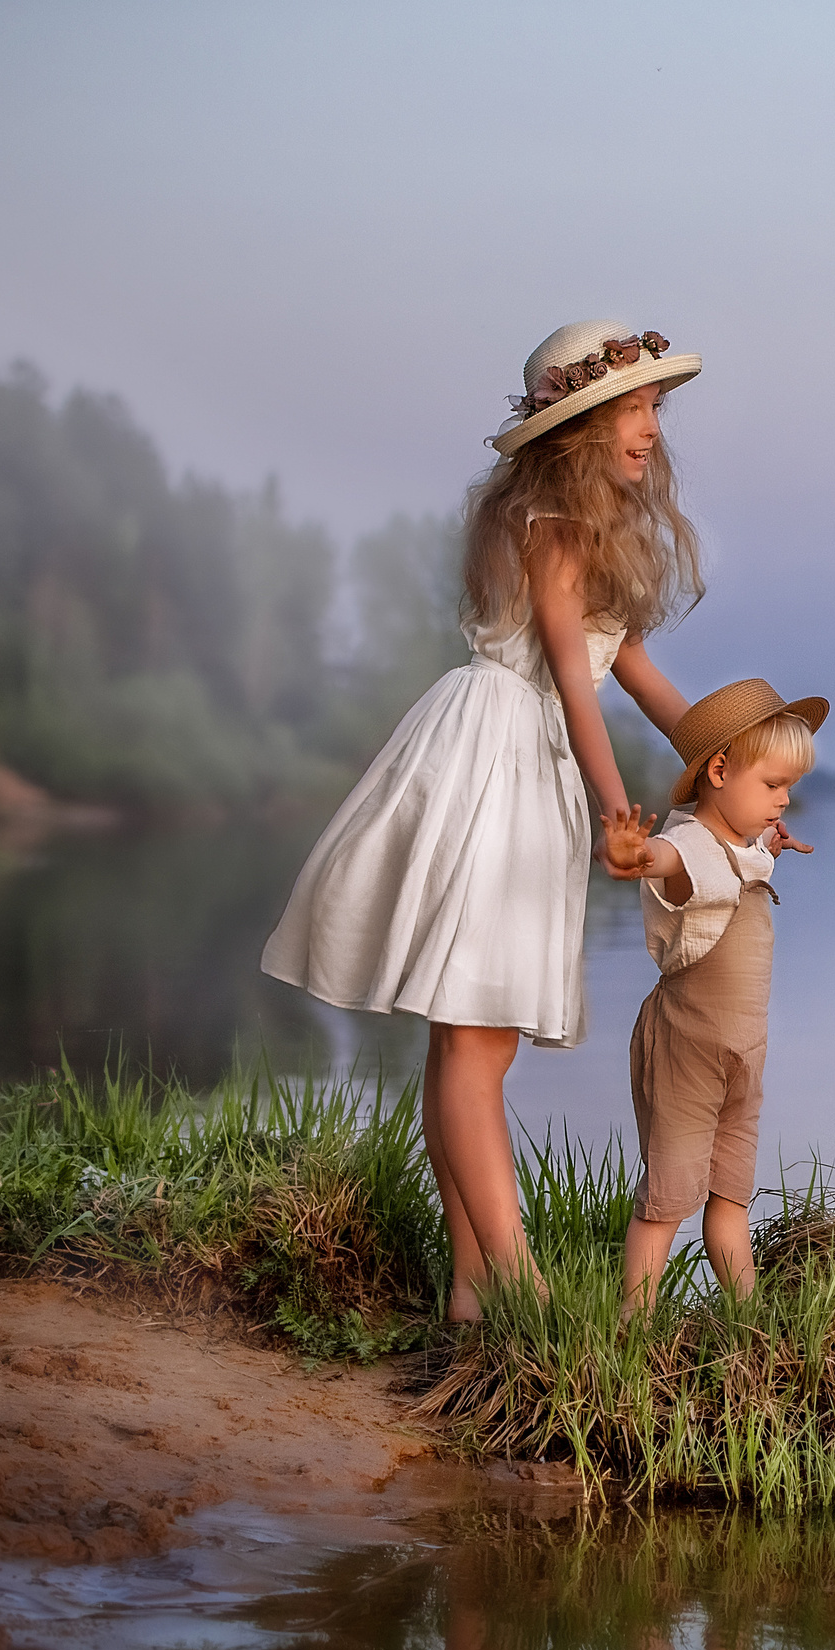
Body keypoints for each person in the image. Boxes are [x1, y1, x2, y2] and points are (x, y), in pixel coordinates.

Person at [261, 320, 706, 1321]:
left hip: (526, 759)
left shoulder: (590, 534)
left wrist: (719, 752)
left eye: (654, 409)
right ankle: (513, 1278)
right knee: (473, 1043)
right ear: (581, 425)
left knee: (472, 1044)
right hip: (499, 753)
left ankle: (471, 1283)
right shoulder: (550, 523)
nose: (650, 428)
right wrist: (613, 806)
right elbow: (564, 670)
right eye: (633, 409)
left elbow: (630, 673)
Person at [601, 679, 827, 1308]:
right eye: (773, 785)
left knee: (731, 1193)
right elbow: (667, 860)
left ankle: (748, 1321)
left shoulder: (742, 846)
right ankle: (633, 1327)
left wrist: (769, 846)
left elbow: (743, 860)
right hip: (688, 1053)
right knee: (668, 1197)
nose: (785, 801)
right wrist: (633, 852)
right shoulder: (687, 845)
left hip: (742, 1056)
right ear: (720, 770)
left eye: (790, 788)